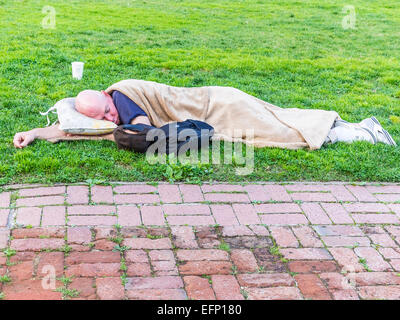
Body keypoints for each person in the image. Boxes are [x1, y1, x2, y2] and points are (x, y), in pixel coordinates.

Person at [13, 81, 397, 149]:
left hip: (220, 106)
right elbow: (77, 129)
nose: (112, 119)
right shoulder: (106, 106)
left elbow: (142, 130)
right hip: (220, 98)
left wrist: (121, 130)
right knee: (281, 117)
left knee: (281, 133)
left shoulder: (125, 97)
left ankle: (363, 135)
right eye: (106, 117)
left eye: (109, 112)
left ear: (106, 96)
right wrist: (35, 132)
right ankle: (357, 127)